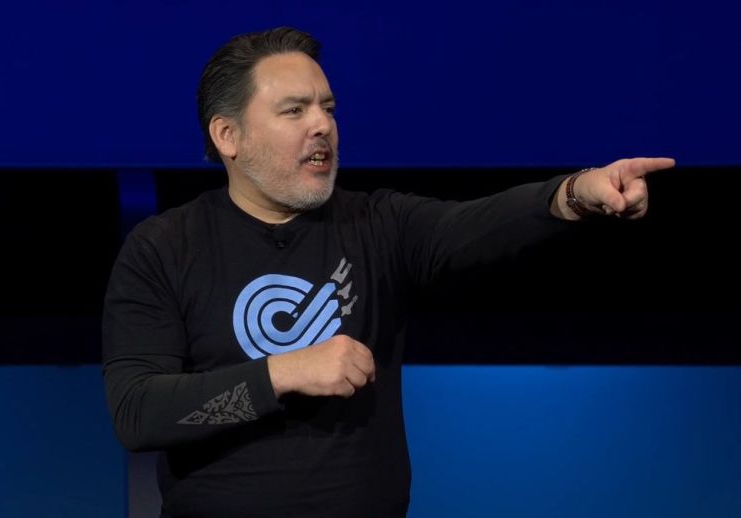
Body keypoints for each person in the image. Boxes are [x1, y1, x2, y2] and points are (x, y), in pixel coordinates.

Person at [102, 27, 675, 517]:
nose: (322, 125)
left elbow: (478, 224)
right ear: (228, 135)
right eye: (294, 110)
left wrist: (574, 194)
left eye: (328, 107)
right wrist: (282, 372)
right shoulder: (164, 248)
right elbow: (137, 413)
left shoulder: (377, 225)